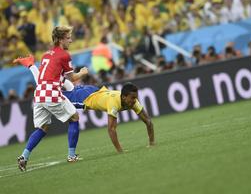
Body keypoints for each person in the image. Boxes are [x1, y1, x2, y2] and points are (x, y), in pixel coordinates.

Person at [14, 55, 155, 154]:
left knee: (64, 85)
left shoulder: (132, 101)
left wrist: (152, 142)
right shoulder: (114, 103)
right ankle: (31, 65)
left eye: (135, 98)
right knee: (49, 86)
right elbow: (111, 129)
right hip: (85, 98)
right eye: (132, 98)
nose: (135, 100)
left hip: (95, 90)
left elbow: (148, 121)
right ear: (124, 97)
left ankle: (35, 66)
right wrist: (120, 151)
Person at [14, 25, 89, 172]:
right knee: (74, 117)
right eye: (68, 38)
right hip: (51, 93)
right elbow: (72, 78)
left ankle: (24, 157)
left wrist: (30, 65)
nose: (71, 40)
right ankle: (71, 156)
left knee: (43, 128)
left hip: (39, 94)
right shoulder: (64, 55)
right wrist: (82, 73)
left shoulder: (46, 54)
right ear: (61, 39)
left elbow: (46, 76)